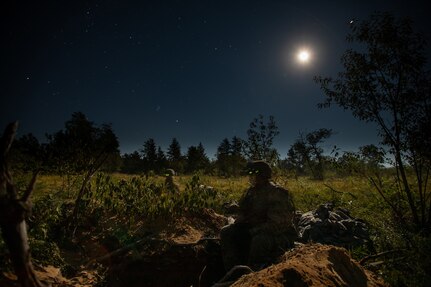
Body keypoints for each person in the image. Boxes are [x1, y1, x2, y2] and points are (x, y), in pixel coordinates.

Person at [220, 160, 296, 271]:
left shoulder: (276, 193)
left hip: (279, 235)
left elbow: (277, 224)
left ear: (263, 176)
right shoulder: (251, 191)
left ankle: (253, 272)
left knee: (259, 240)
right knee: (226, 231)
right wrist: (238, 213)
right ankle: (232, 271)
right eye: (250, 174)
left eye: (254, 174)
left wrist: (253, 231)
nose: (251, 178)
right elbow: (244, 210)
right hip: (256, 229)